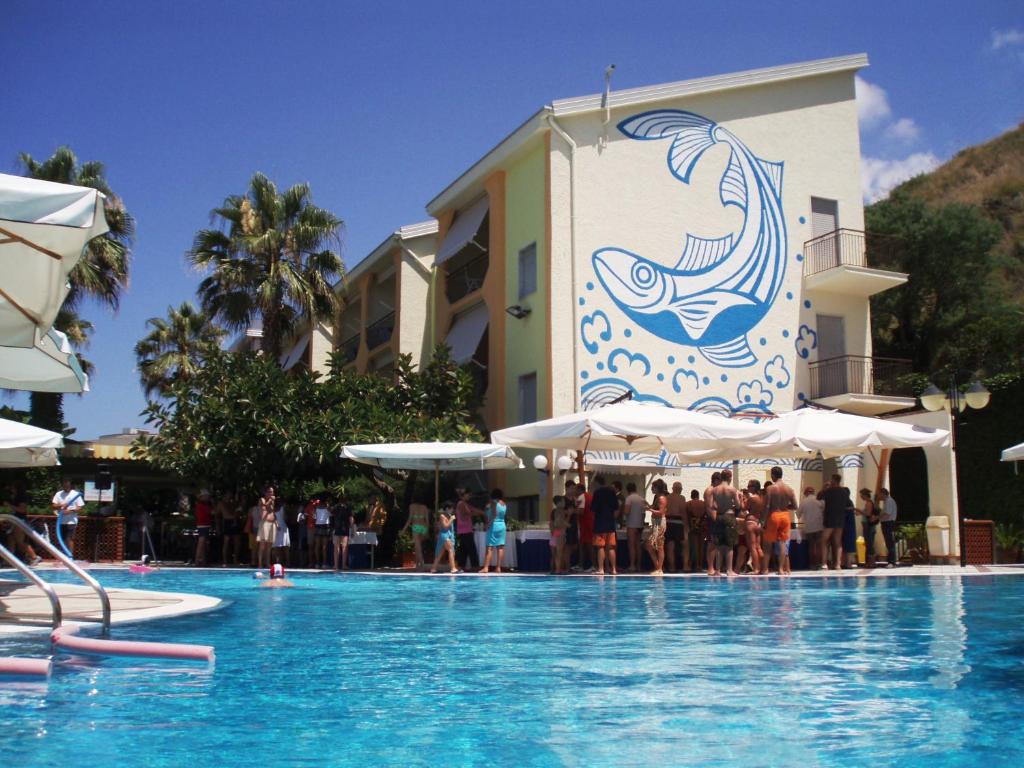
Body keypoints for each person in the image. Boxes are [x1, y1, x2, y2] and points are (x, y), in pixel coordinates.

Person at [710, 469, 742, 576]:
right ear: (730, 477)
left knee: (718, 545)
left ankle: (717, 570)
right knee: (729, 545)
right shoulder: (732, 490)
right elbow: (738, 506)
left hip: (719, 516)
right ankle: (729, 570)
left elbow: (712, 506)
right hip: (729, 516)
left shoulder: (714, 490)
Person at [2, 483, 40, 565]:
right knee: (11, 539)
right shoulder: (14, 497)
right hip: (14, 520)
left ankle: (34, 557)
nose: (11, 490)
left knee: (20, 541)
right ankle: (9, 559)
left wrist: (9, 505)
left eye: (12, 488)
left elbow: (22, 510)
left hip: (19, 520)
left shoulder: (21, 498)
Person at [819, 474, 851, 570]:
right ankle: (837, 564)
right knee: (838, 542)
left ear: (833, 480)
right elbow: (848, 504)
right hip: (840, 519)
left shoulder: (829, 491)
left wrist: (823, 488)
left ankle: (824, 563)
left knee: (823, 540)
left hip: (830, 518)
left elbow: (819, 497)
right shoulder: (844, 492)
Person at [590, 475, 618, 576]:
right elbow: (616, 510)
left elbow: (593, 509)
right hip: (610, 523)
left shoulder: (597, 493)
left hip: (600, 523)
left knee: (600, 546)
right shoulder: (612, 492)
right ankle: (614, 569)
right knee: (610, 547)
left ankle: (601, 569)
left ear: (597, 483)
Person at [51, 478, 85, 558]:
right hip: (60, 521)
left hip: (71, 521)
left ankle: (70, 556)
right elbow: (53, 506)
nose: (66, 485)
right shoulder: (58, 494)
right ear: (62, 485)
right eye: (64, 484)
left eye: (67, 484)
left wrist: (71, 511)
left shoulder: (75, 494)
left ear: (70, 485)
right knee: (61, 539)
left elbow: (80, 507)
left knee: (69, 538)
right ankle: (63, 556)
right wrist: (62, 505)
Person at [480, 488, 507, 574]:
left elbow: (494, 515)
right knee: (500, 547)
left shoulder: (493, 503)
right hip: (502, 525)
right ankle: (498, 568)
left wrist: (488, 525)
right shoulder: (504, 504)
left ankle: (486, 567)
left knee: (489, 547)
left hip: (494, 525)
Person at [798, 486, 825, 569]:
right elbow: (824, 510)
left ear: (806, 493)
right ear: (813, 492)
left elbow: (798, 514)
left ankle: (812, 564)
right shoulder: (820, 500)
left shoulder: (803, 502)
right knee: (819, 546)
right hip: (819, 526)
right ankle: (819, 564)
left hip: (809, 527)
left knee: (812, 546)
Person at [454, 489, 482, 571]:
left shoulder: (465, 504)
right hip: (465, 530)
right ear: (464, 495)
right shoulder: (461, 504)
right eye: (468, 495)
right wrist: (474, 514)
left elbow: (473, 509)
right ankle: (475, 566)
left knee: (464, 549)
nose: (470, 496)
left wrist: (482, 512)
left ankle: (461, 565)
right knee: (471, 548)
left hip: (464, 530)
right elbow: (465, 514)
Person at [400, 499, 431, 570]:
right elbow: (427, 520)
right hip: (424, 527)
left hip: (416, 527)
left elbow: (410, 519)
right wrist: (427, 531)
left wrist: (403, 530)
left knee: (418, 547)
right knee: (417, 546)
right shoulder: (424, 507)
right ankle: (417, 565)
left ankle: (422, 565)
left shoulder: (412, 506)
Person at [429, 504, 460, 574]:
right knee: (451, 550)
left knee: (440, 553)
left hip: (447, 535)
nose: (452, 510)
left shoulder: (449, 516)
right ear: (447, 509)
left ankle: (433, 569)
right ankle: (453, 568)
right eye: (451, 509)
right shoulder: (442, 516)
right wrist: (451, 519)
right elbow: (445, 526)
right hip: (444, 536)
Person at [664, 481, 687, 573]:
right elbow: (683, 512)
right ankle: (685, 566)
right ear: (680, 489)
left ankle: (672, 567)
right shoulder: (681, 498)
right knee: (685, 545)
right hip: (678, 522)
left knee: (670, 546)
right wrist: (686, 525)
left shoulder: (667, 498)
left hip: (668, 522)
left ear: (672, 488)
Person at [643, 490, 667, 575]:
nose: (652, 489)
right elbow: (653, 507)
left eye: (653, 487)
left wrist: (649, 509)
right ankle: (658, 567)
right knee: (649, 545)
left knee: (660, 546)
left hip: (659, 523)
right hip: (655, 523)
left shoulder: (662, 498)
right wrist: (647, 505)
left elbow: (661, 512)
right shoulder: (656, 498)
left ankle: (659, 569)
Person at [624, 482, 646, 573]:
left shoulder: (629, 499)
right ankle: (639, 566)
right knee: (638, 546)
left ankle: (632, 565)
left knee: (631, 545)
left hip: (632, 524)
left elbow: (627, 511)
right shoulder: (641, 499)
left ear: (627, 490)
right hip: (640, 524)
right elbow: (644, 513)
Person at [703, 472, 722, 575]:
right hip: (712, 519)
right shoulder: (710, 490)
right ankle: (710, 568)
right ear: (716, 480)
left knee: (716, 544)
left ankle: (714, 568)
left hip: (715, 518)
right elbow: (709, 507)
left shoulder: (714, 490)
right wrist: (715, 519)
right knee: (712, 543)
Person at [766, 502, 792, 575]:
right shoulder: (785, 513)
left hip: (783, 533)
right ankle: (786, 569)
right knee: (784, 552)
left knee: (783, 551)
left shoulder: (778, 512)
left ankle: (783, 569)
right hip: (784, 532)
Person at [256, 486, 277, 569]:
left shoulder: (272, 501)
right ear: (265, 493)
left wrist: (276, 523)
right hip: (264, 523)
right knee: (262, 545)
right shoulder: (262, 499)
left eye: (272, 492)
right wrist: (271, 500)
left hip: (272, 524)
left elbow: (273, 512)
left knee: (269, 546)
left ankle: (267, 563)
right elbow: (264, 507)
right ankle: (260, 563)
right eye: (269, 491)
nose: (271, 493)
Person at [575, 480, 595, 572]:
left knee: (587, 545)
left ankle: (592, 565)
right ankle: (582, 565)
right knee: (586, 545)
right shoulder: (590, 496)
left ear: (580, 489)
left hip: (585, 525)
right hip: (590, 523)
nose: (575, 492)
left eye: (576, 489)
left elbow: (581, 511)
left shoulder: (581, 497)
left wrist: (570, 512)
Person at [218, 494, 242, 566]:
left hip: (235, 522)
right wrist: (217, 526)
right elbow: (217, 515)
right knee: (226, 542)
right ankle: (224, 561)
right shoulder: (221, 503)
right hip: (227, 522)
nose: (228, 497)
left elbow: (238, 513)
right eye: (227, 495)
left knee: (237, 542)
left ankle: (235, 559)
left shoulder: (233, 503)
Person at [685, 489, 706, 573]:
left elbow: (686, 515)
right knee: (701, 546)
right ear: (698, 495)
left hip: (693, 525)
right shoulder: (703, 504)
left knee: (694, 546)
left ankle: (694, 564)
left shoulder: (688, 504)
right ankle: (700, 565)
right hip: (701, 525)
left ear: (691, 495)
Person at [858, 488, 879, 568]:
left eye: (861, 495)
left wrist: (858, 510)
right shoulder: (868, 503)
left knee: (869, 544)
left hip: (868, 526)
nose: (861, 496)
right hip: (868, 526)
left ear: (865, 495)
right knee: (868, 544)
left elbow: (868, 513)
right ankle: (870, 562)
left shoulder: (869, 503)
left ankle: (872, 563)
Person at [331, 496, 353, 571]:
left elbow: (331, 513)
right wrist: (352, 528)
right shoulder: (347, 507)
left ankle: (336, 565)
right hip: (344, 528)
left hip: (338, 527)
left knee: (337, 547)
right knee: (344, 547)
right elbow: (351, 518)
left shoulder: (336, 507)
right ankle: (342, 565)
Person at [878, 488, 899, 566]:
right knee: (888, 543)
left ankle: (892, 562)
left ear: (883, 493)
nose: (879, 496)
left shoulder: (889, 501)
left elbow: (887, 513)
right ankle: (890, 561)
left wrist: (877, 517)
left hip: (888, 523)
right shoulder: (887, 502)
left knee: (890, 542)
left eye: (880, 494)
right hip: (886, 523)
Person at [192, 490, 212, 566]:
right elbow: (210, 512)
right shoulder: (201, 505)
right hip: (203, 525)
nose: (208, 498)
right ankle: (197, 561)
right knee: (201, 542)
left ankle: (203, 561)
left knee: (203, 543)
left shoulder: (203, 504)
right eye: (206, 496)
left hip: (205, 525)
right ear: (202, 497)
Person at [549, 495, 568, 574]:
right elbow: (559, 523)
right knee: (559, 553)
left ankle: (553, 569)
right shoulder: (560, 511)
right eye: (563, 501)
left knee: (554, 554)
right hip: (560, 532)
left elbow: (551, 523)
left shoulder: (553, 511)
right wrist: (568, 523)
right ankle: (558, 569)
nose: (564, 503)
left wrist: (552, 531)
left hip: (555, 533)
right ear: (559, 503)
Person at [312, 496, 332, 568]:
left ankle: (317, 563)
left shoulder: (316, 508)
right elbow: (331, 515)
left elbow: (314, 517)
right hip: (325, 526)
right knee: (324, 546)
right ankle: (324, 563)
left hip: (318, 525)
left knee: (317, 546)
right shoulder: (327, 508)